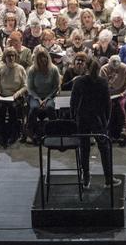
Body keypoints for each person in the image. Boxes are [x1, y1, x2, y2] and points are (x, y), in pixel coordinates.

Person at [70, 53, 113, 189]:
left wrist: (74, 118)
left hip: (82, 118)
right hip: (98, 117)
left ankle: (86, 178)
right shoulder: (103, 82)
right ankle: (108, 179)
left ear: (86, 67)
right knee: (104, 148)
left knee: (85, 148)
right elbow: (107, 104)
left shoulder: (79, 82)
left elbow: (73, 103)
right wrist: (106, 119)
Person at [0, 47, 28, 147]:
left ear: (16, 57)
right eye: (9, 55)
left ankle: (13, 134)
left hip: (16, 96)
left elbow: (26, 86)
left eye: (13, 55)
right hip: (3, 96)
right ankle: (1, 134)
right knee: (0, 109)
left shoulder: (20, 69)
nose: (11, 57)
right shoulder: (1, 68)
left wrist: (17, 93)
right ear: (5, 57)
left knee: (13, 108)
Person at [25, 46, 60, 142]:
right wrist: (38, 99)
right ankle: (30, 131)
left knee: (50, 107)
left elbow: (56, 87)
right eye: (40, 57)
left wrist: (47, 98)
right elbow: (30, 88)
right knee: (34, 107)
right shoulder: (32, 70)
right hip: (35, 96)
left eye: (44, 56)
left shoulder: (54, 69)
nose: (42, 59)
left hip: (50, 96)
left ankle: (54, 130)